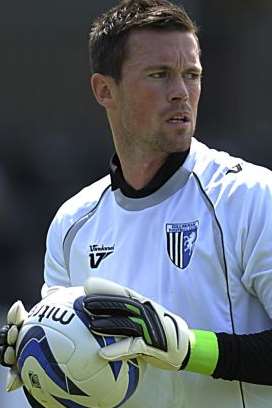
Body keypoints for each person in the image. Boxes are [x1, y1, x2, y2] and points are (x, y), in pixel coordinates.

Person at [1, 0, 272, 407]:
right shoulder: (73, 222)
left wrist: (186, 348)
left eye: (192, 75)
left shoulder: (251, 197)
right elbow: (77, 382)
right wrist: (37, 360)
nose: (182, 92)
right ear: (104, 89)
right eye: (159, 75)